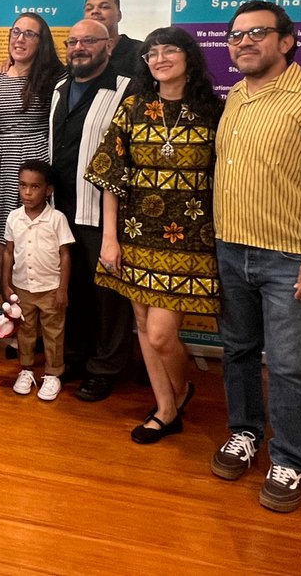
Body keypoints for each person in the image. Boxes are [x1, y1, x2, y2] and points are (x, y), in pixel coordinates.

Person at [209, 1, 301, 513]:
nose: (243, 42)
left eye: (256, 33)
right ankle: (244, 433)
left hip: (291, 256)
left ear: (286, 41)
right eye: (235, 36)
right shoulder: (234, 100)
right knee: (239, 351)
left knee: (292, 366)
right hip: (231, 248)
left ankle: (290, 459)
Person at [84, 26, 222, 443]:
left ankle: (180, 391)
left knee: (163, 333)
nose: (159, 59)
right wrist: (110, 238)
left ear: (189, 58)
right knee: (143, 325)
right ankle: (166, 409)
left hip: (191, 239)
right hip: (134, 234)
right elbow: (110, 177)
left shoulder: (214, 112)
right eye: (152, 54)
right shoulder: (133, 109)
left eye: (169, 51)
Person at [48, 18, 133, 402]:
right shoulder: (60, 87)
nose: (78, 47)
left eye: (88, 41)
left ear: (108, 45)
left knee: (108, 298)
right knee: (74, 289)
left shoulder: (127, 89)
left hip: (102, 211)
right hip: (61, 208)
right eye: (72, 41)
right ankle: (77, 358)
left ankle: (106, 368)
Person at [0, 13, 66, 275]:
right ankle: (16, 308)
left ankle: (33, 309)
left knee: (34, 248)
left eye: (29, 34)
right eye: (15, 31)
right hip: (2, 167)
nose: (20, 39)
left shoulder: (55, 77)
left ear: (41, 42)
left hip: (34, 165)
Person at [1, 159, 73, 402]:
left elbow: (65, 254)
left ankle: (53, 373)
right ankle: (26, 369)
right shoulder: (13, 217)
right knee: (26, 331)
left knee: (54, 332)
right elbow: (9, 252)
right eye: (23, 186)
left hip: (51, 288)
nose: (27, 192)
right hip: (22, 287)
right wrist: (6, 283)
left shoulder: (57, 219)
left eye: (34, 187)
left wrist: (63, 288)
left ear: (48, 190)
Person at [83, 0, 141, 78]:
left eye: (104, 7)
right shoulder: (79, 52)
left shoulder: (139, 52)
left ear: (119, 15)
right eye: (89, 8)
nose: (95, 11)